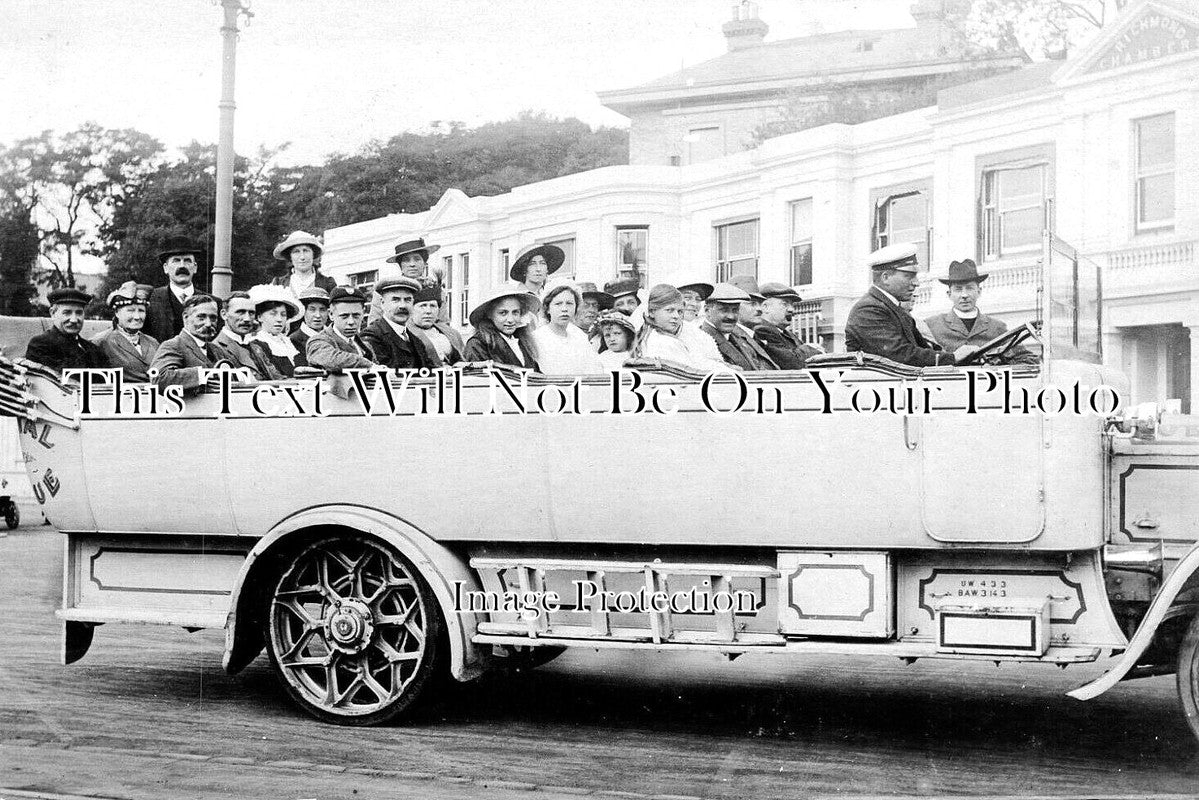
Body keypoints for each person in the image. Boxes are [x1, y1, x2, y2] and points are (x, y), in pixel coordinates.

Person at [844, 243, 972, 367]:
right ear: (885, 277)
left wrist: (961, 358)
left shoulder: (893, 309)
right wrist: (953, 358)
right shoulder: (867, 310)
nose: (916, 283)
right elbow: (899, 355)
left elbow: (922, 349)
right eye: (909, 276)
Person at [924, 258, 1037, 365]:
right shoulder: (932, 326)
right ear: (949, 294)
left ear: (979, 291)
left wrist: (997, 365)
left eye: (970, 288)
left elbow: (1029, 360)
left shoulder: (997, 327)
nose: (964, 295)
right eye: (958, 289)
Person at [630, 284, 730, 373]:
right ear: (651, 312)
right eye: (669, 310)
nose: (676, 316)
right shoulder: (659, 340)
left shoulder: (696, 333)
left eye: (680, 312)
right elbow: (690, 371)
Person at [150, 294, 225, 393]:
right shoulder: (174, 345)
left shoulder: (216, 349)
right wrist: (202, 375)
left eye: (213, 318)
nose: (208, 324)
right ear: (185, 318)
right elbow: (158, 378)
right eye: (201, 318)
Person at [25, 287, 109, 373]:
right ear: (53, 313)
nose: (74, 320)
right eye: (67, 313)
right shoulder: (40, 345)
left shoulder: (94, 350)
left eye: (79, 313)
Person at [360, 276, 434, 371]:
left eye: (407, 300)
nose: (402, 306)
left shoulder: (416, 340)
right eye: (395, 300)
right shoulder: (372, 336)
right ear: (382, 303)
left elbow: (430, 371)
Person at [531, 282, 604, 375]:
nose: (564, 309)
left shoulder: (579, 336)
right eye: (558, 304)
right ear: (548, 308)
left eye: (569, 303)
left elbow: (594, 369)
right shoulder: (537, 338)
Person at [93, 281, 159, 382]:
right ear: (117, 312)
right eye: (131, 310)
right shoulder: (101, 342)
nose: (137, 317)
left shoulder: (153, 343)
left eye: (141, 311)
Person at [369, 238, 445, 325]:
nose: (412, 264)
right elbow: (373, 323)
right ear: (400, 265)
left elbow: (444, 324)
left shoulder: (434, 289)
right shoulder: (385, 291)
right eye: (406, 260)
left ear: (424, 263)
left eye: (417, 259)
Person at [462, 287, 540, 370]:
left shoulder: (523, 342)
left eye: (515, 312)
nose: (510, 320)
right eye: (503, 313)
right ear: (489, 314)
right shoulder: (478, 343)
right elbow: (477, 378)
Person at [145, 236, 204, 343]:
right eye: (176, 261)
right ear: (165, 268)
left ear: (195, 267)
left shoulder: (211, 301)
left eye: (187, 261)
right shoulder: (151, 300)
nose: (182, 266)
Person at [696, 283, 765, 371]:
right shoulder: (702, 341)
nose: (731, 316)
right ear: (707, 310)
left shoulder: (739, 339)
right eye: (724, 310)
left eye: (735, 310)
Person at [306, 287, 376, 371]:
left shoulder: (365, 346)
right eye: (344, 316)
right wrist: (370, 365)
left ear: (363, 313)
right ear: (331, 314)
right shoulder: (318, 342)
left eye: (356, 315)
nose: (351, 322)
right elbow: (332, 359)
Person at [754, 283, 821, 370]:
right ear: (765, 307)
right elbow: (794, 363)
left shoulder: (788, 334)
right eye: (784, 304)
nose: (791, 309)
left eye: (792, 304)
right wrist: (812, 347)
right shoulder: (761, 330)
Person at [213, 292, 273, 380]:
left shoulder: (257, 347)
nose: (247, 319)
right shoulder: (215, 348)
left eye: (251, 313)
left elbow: (277, 378)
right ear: (224, 314)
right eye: (240, 312)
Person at [248, 284, 303, 379]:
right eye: (273, 314)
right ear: (259, 317)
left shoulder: (293, 343)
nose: (279, 319)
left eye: (283, 315)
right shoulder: (255, 344)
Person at [727, 275, 779, 370]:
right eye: (752, 303)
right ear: (734, 307)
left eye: (760, 304)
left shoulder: (754, 337)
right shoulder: (731, 338)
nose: (759, 309)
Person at [408, 284, 464, 366]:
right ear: (412, 309)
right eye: (422, 306)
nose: (428, 311)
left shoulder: (450, 333)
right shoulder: (405, 333)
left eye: (433, 306)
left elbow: (460, 359)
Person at [269, 231, 336, 298]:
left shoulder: (328, 283)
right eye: (296, 252)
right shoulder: (278, 284)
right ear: (290, 257)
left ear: (313, 254)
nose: (302, 257)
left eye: (306, 251)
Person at [290, 287, 330, 368]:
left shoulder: (333, 335)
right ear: (303, 312)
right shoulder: (293, 340)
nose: (318, 315)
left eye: (322, 310)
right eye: (312, 310)